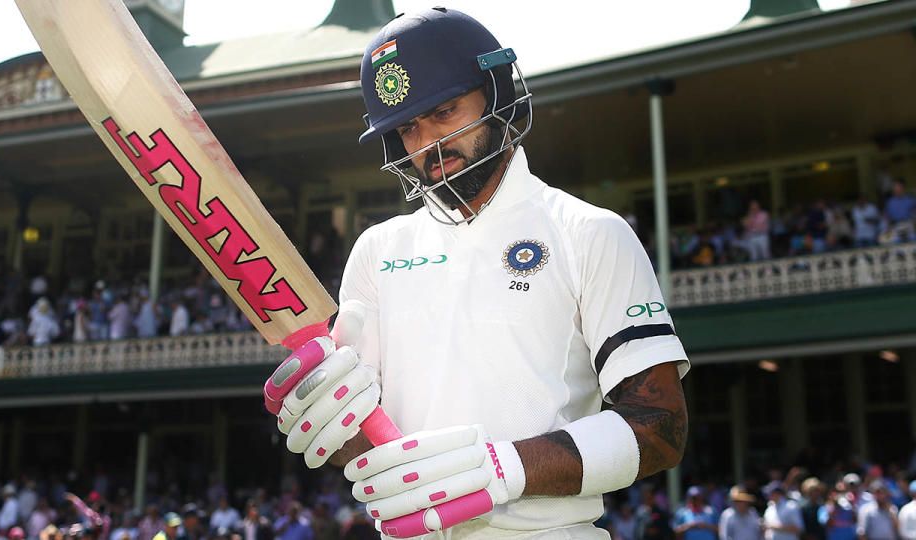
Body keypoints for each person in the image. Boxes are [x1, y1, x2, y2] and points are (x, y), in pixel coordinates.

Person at [267, 7, 689, 538]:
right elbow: (372, 445)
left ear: (497, 94)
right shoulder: (378, 249)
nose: (427, 146)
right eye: (407, 128)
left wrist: (501, 470)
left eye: (443, 112)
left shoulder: (587, 231)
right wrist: (329, 424)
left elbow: (661, 427)